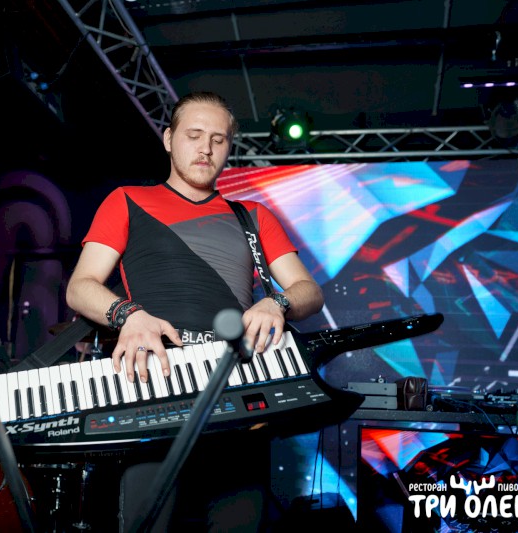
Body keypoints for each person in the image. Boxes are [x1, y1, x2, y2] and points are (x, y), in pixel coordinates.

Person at [65, 91, 324, 532]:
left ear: (229, 148)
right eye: (194, 135)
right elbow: (80, 287)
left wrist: (276, 301)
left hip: (236, 391)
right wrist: (129, 315)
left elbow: (309, 291)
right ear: (169, 139)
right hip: (154, 386)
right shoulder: (126, 199)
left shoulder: (253, 216)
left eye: (218, 139)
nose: (206, 148)